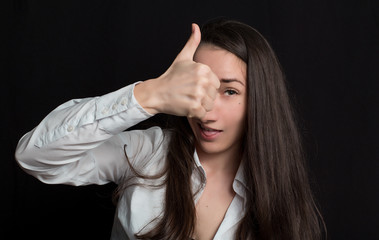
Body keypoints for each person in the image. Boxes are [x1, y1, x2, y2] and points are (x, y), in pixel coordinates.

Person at [15, 18, 325, 239]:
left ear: (259, 100)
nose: (205, 108)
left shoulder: (280, 189)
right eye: (197, 86)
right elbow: (34, 155)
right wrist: (152, 94)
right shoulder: (147, 153)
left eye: (229, 91)